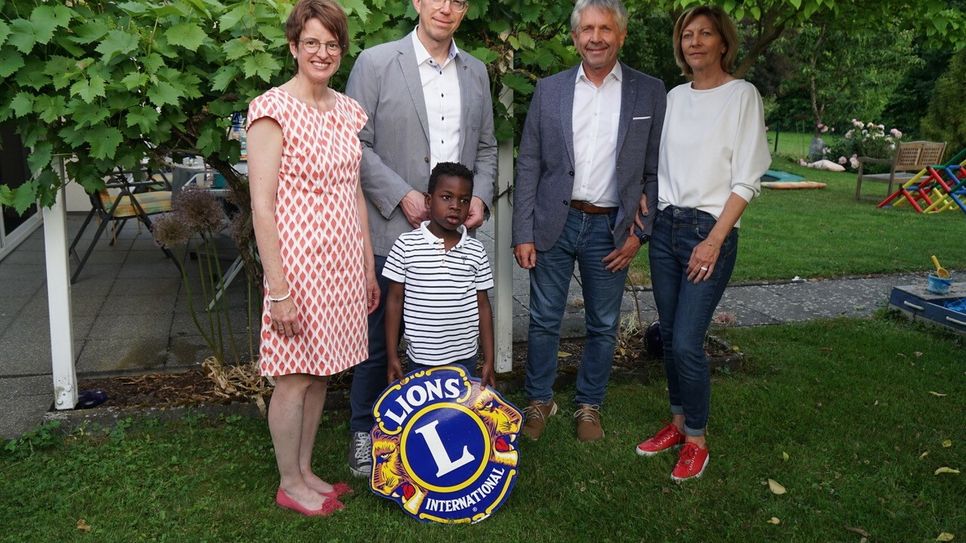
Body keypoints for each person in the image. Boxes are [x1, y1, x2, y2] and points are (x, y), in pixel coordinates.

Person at [344, 0, 498, 477]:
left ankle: (450, 432)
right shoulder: (375, 63)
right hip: (394, 226)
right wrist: (400, 193)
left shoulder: (476, 72)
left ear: (466, 9)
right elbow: (355, 142)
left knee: (452, 335)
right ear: (416, 2)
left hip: (457, 237)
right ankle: (365, 432)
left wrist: (482, 200)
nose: (445, 8)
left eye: (456, 0)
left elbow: (489, 147)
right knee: (377, 342)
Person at [247, 0, 379, 516]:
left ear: (340, 51)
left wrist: (367, 266)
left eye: (331, 44)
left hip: (343, 264)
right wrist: (277, 288)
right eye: (311, 43)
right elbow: (261, 207)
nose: (322, 53)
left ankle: (305, 471)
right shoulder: (271, 109)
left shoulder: (347, 110)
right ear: (293, 47)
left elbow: (354, 193)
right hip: (297, 267)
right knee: (294, 375)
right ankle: (288, 482)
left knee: (323, 372)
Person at [512, 0, 666, 442]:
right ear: (576, 36)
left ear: (621, 35)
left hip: (611, 229)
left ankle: (588, 404)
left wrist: (641, 231)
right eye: (587, 29)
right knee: (544, 319)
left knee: (603, 323)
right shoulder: (551, 89)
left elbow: (656, 170)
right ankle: (540, 399)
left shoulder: (648, 91)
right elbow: (530, 165)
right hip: (554, 223)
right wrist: (523, 231)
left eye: (605, 28)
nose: (595, 37)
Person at [634, 5, 770, 481]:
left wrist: (714, 241)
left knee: (689, 342)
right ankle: (676, 421)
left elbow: (747, 179)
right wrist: (645, 201)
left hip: (707, 233)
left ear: (723, 42)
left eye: (705, 34)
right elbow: (660, 164)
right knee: (670, 338)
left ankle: (697, 440)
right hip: (667, 228)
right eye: (687, 35)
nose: (694, 42)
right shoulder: (673, 97)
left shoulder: (741, 96)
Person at [383, 162, 495, 386]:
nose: (456, 206)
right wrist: (392, 356)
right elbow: (394, 301)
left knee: (459, 416)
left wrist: (489, 358)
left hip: (465, 357)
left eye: (464, 200)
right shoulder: (406, 245)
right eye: (446, 197)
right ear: (428, 200)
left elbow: (482, 304)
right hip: (421, 359)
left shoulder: (475, 250)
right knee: (426, 417)